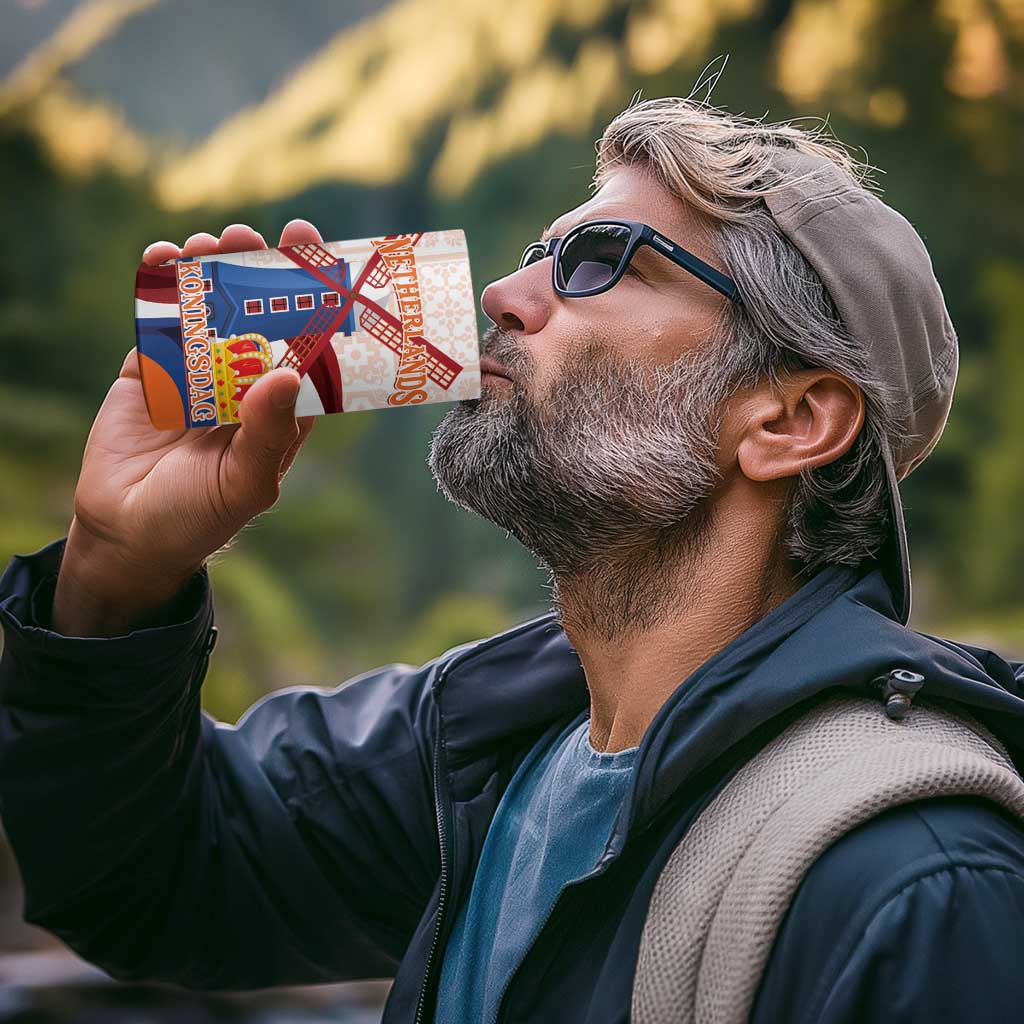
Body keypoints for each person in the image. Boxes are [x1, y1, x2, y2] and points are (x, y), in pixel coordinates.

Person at [2, 95, 1024, 1024]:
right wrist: (116, 570)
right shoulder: (479, 748)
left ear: (791, 419)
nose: (502, 291)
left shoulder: (918, 883)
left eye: (599, 261)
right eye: (541, 251)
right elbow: (149, 880)